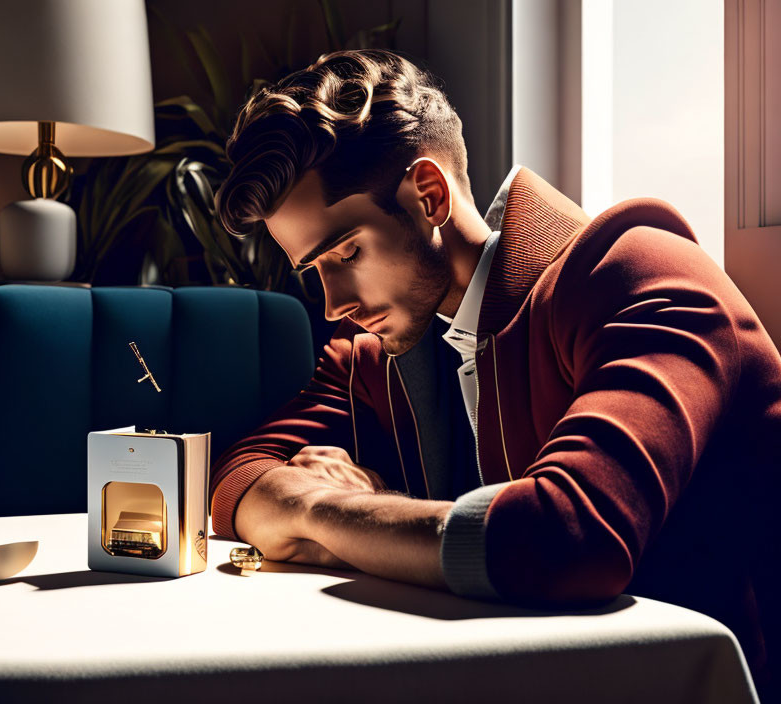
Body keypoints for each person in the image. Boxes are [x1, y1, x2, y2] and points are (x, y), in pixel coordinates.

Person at [209, 49, 781, 697]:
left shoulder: (639, 275)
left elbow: (568, 537)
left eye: (346, 253)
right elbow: (238, 477)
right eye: (316, 270)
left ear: (427, 195)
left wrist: (319, 509)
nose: (334, 303)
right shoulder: (371, 352)